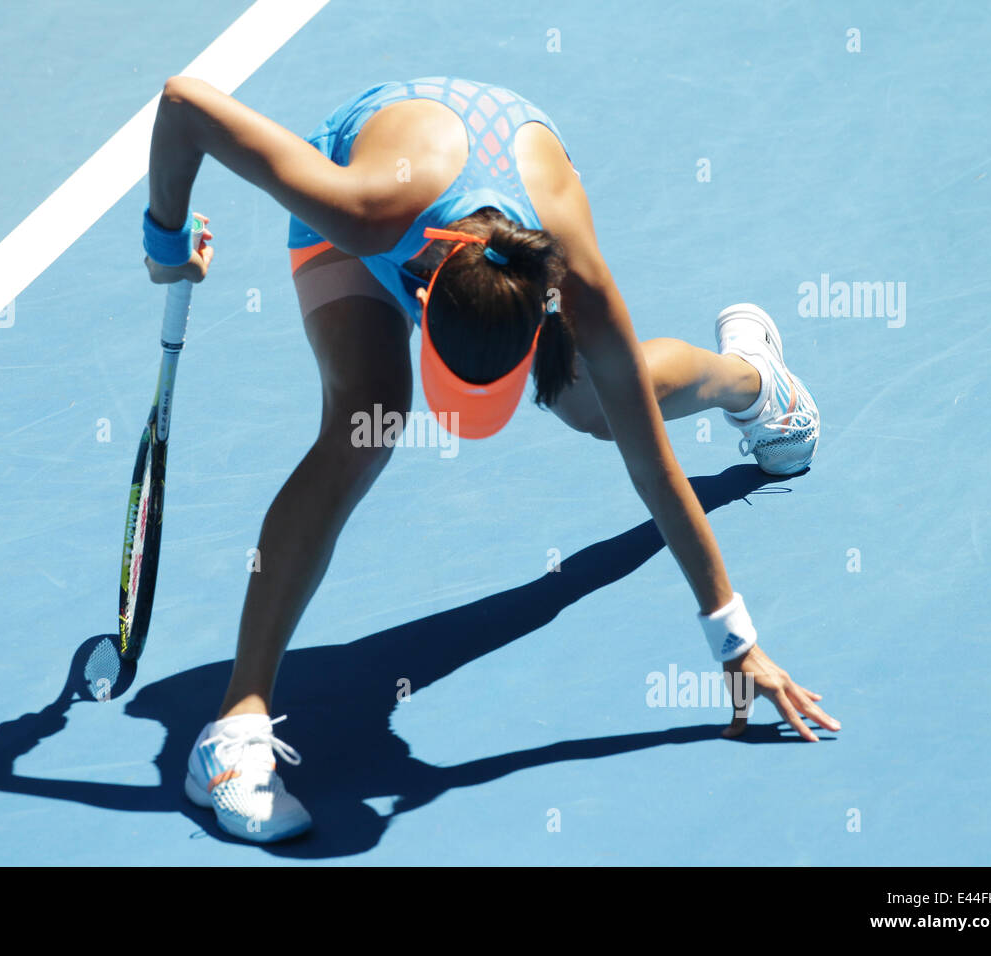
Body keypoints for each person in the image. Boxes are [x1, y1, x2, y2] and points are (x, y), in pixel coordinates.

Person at [141, 75, 840, 843]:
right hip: (381, 176)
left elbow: (656, 472)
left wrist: (736, 640)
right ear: (424, 297)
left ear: (542, 318)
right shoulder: (359, 206)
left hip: (502, 212)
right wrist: (164, 243)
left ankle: (755, 379)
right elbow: (183, 103)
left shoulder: (575, 278)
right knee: (365, 418)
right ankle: (233, 729)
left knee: (596, 408)